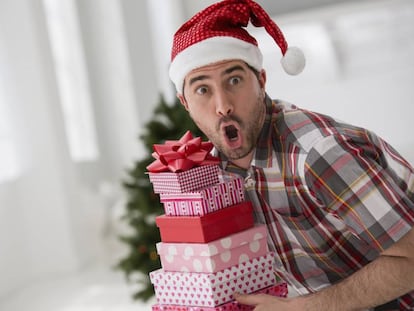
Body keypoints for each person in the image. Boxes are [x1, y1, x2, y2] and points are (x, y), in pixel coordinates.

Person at [168, 0, 414, 310]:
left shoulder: (317, 154)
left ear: (261, 81)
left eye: (234, 81)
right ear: (185, 103)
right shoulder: (217, 174)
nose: (223, 105)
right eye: (202, 89)